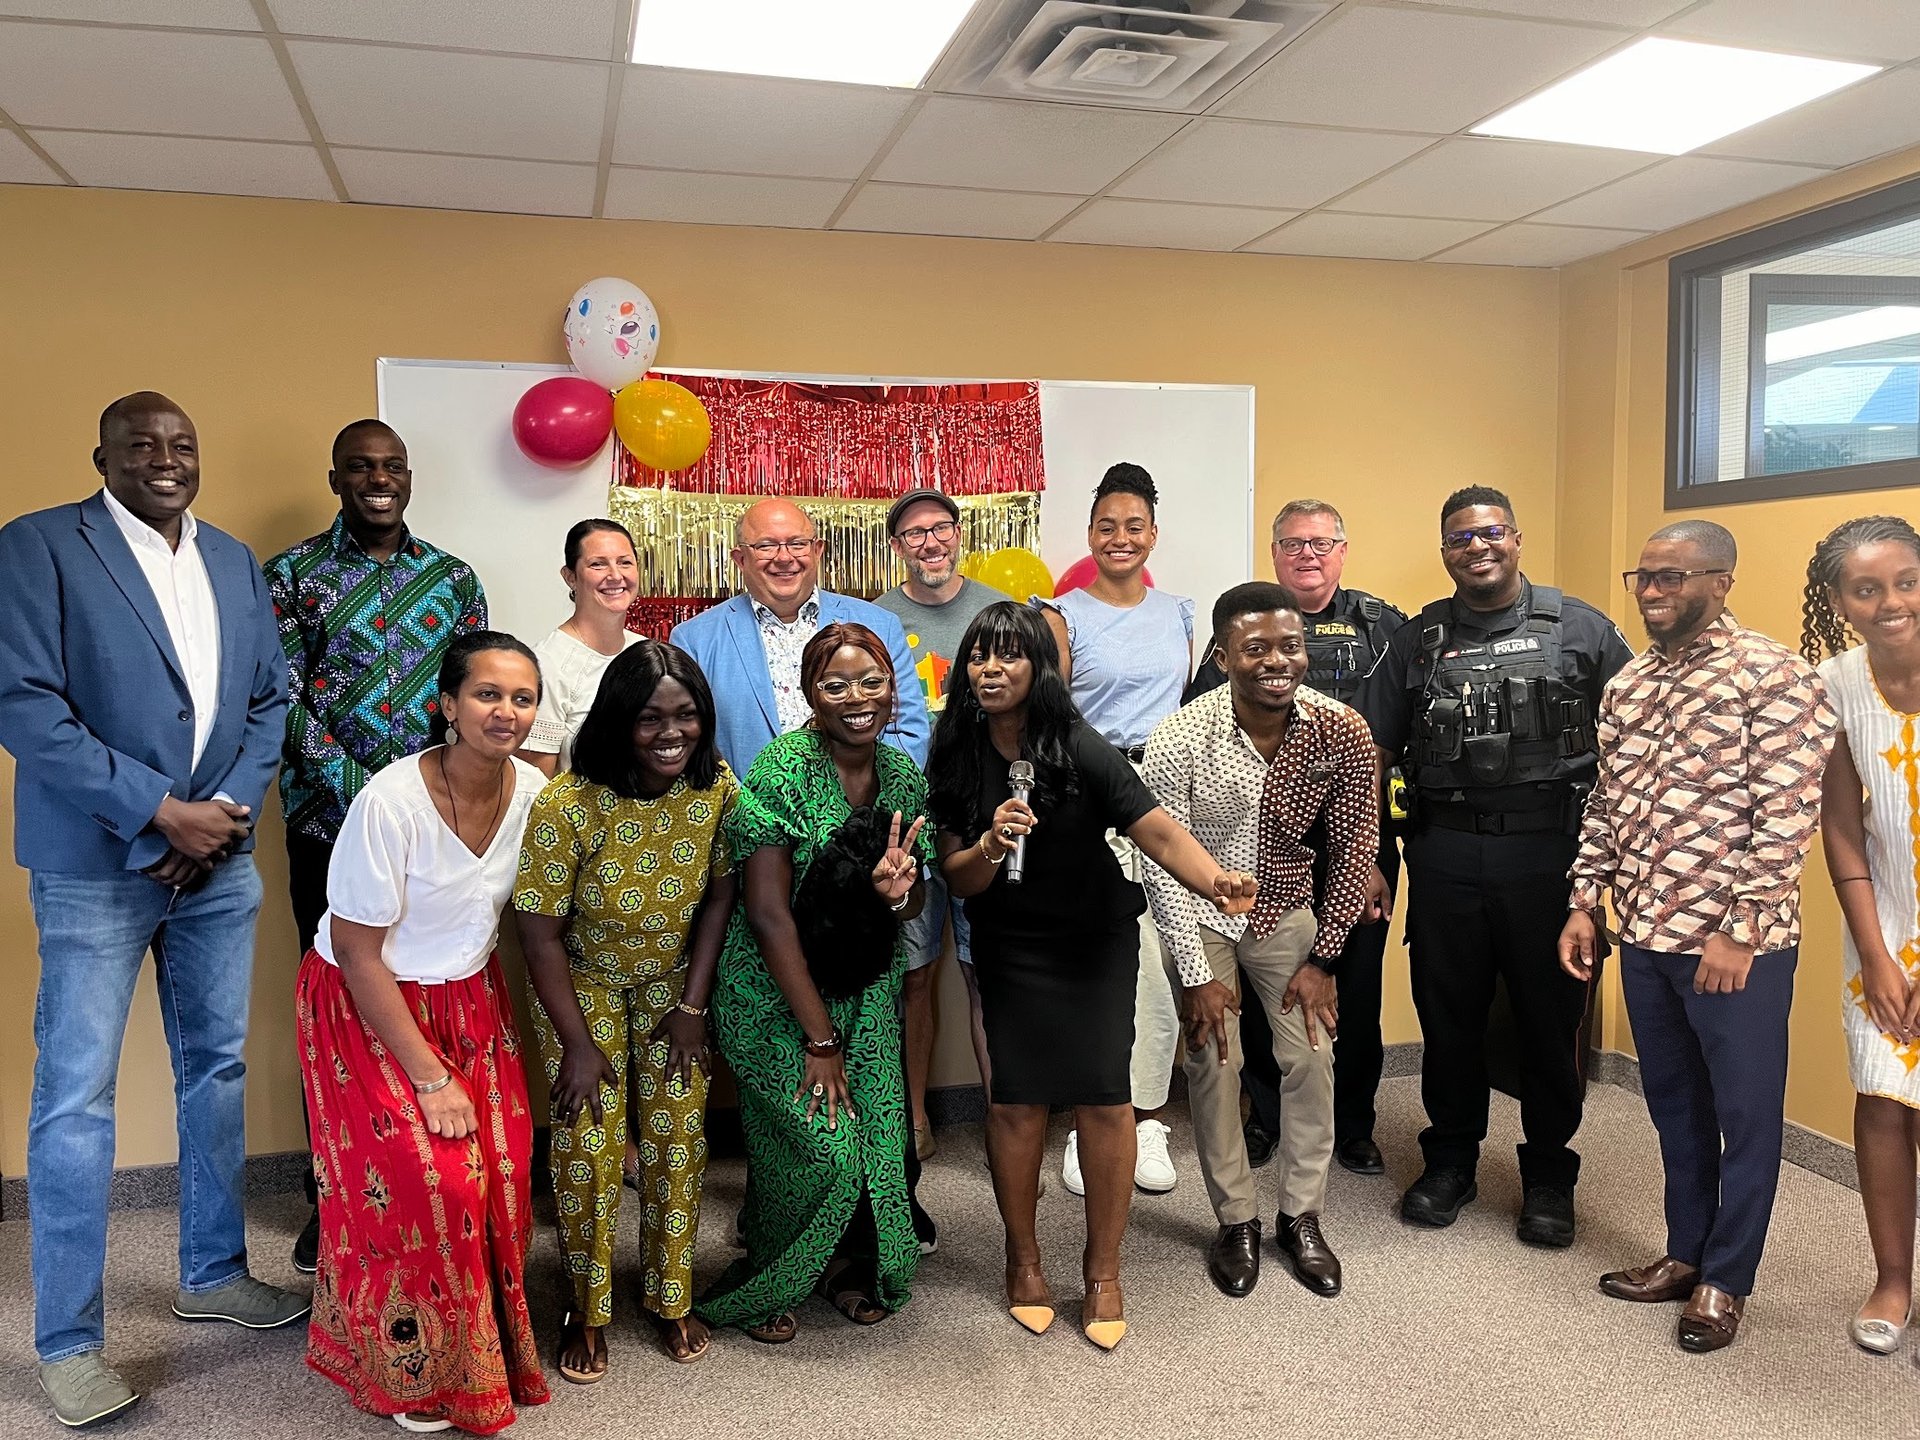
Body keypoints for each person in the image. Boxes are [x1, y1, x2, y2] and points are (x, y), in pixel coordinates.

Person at [0, 393, 303, 1429]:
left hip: (217, 862)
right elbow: (25, 704)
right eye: (142, 446)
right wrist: (154, 812)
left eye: (181, 446)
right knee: (75, 1099)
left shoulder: (228, 559)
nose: (164, 460)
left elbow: (268, 699)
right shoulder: (40, 545)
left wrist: (217, 817)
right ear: (104, 457)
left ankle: (213, 1273)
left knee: (214, 1068)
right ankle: (70, 1344)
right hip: (95, 864)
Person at [929, 601, 1256, 1350]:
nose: (991, 668)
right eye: (980, 655)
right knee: (1014, 1106)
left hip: (1094, 943)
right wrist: (986, 844)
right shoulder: (954, 749)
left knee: (1106, 1102)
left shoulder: (1078, 742)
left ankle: (1103, 1271)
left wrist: (1213, 882)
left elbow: (1159, 826)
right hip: (1012, 946)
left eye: (1010, 655)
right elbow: (958, 878)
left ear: (1038, 669)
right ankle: (1024, 1260)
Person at [1562, 520, 1834, 1353]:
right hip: (1645, 934)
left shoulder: (1777, 676)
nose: (1652, 593)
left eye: (1672, 578)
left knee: (1746, 1116)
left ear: (1722, 581)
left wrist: (1740, 930)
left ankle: (1727, 1278)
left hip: (1735, 944)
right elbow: (1606, 803)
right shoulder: (1630, 684)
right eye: (1642, 577)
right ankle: (1685, 1253)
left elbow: (1788, 816)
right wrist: (1584, 901)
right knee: (1674, 1105)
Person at [1358, 485, 1631, 1247]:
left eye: (1490, 533)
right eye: (1460, 539)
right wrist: (1375, 858)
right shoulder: (1416, 640)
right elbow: (1376, 755)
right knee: (1450, 1014)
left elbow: (1636, 742)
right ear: (1445, 551)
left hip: (1550, 851)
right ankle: (1448, 1161)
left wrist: (1605, 876)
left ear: (1516, 538)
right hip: (1445, 849)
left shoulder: (1581, 629)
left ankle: (1548, 1171)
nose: (1477, 548)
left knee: (1549, 1016)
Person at [297, 632, 550, 1433]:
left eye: (522, 697)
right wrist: (432, 1079)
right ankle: (415, 1367)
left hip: (471, 1000)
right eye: (486, 695)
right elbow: (356, 950)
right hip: (365, 1001)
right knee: (431, 1179)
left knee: (503, 1177)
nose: (505, 712)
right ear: (446, 705)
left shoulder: (537, 793)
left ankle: (483, 1350)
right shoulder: (392, 800)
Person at [262, 417, 487, 1272]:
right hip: (328, 828)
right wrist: (371, 798)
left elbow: (470, 695)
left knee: (428, 1002)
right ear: (337, 480)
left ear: (409, 476)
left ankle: (427, 1174)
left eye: (392, 466)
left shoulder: (452, 578)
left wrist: (432, 806)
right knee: (340, 1007)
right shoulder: (291, 577)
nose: (379, 479)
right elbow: (280, 699)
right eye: (361, 467)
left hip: (443, 836)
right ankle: (338, 1197)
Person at [696, 623, 931, 1343]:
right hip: (774, 996)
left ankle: (848, 1267)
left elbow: (910, 902)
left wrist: (896, 894)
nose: (856, 699)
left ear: (893, 690)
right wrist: (818, 1039)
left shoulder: (903, 779)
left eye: (871, 682)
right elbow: (766, 916)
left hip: (863, 992)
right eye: (836, 685)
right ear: (810, 696)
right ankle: (767, 1278)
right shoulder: (780, 773)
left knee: (882, 1145)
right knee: (821, 1149)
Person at [1144, 583, 1378, 1300]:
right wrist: (1194, 975)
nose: (1277, 661)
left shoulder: (1341, 730)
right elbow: (1159, 862)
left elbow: (1355, 846)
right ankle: (1236, 1220)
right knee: (1215, 1057)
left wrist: (1325, 958)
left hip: (1286, 910)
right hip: (1200, 915)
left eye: (1290, 646)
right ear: (1223, 657)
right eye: (1256, 649)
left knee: (1311, 1054)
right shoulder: (1181, 735)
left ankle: (1301, 1216)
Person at [514, 640, 738, 1376]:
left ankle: (671, 1296)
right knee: (588, 1146)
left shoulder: (716, 789)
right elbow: (538, 931)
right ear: (617, 722)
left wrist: (693, 1006)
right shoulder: (566, 804)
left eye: (686, 716)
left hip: (675, 985)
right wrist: (579, 1045)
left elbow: (721, 896)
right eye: (649, 719)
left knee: (679, 1138)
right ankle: (586, 1305)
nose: (671, 733)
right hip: (582, 987)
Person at [1188, 499, 1405, 1175]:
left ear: (1342, 549)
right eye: (1292, 544)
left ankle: (1356, 1124)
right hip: (1260, 845)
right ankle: (1268, 1117)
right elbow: (1203, 725)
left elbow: (1398, 742)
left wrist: (1367, 854)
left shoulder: (1385, 631)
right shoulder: (1242, 625)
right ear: (1275, 552)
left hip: (1354, 843)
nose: (1306, 555)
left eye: (1320, 543)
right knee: (1265, 993)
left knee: (1354, 985)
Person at [1039, 462, 1195, 1196]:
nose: (1121, 538)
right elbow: (1052, 720)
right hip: (1091, 802)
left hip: (1165, 805)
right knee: (1095, 967)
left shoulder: (1182, 615)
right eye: (1108, 526)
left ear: (1153, 535)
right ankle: (1090, 1117)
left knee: (1162, 969)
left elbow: (1190, 713)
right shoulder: (1061, 614)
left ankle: (1148, 1120)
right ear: (1090, 535)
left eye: (1135, 526)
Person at [1801, 516, 1920, 1355]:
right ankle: (1892, 1278)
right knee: (1882, 1101)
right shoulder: (1833, 683)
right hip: (1884, 925)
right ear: (1839, 603)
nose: (1891, 602)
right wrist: (1877, 955)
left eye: (1906, 581)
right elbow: (1841, 829)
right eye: (1867, 589)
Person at [873, 488, 1003, 1156]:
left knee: (988, 973)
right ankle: (915, 1114)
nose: (931, 542)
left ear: (958, 535)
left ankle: (1005, 1121)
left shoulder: (998, 613)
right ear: (897, 546)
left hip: (984, 824)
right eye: (915, 533)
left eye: (942, 528)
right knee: (915, 976)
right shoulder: (875, 621)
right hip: (910, 830)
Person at [670, 497, 929, 777]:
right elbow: (690, 747)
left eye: (797, 544)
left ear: (817, 550)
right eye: (766, 546)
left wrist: (866, 802)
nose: (784, 558)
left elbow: (908, 731)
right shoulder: (694, 641)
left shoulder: (880, 624)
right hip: (747, 814)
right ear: (740, 559)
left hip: (864, 813)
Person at [517, 518, 641, 778]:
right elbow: (536, 784)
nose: (615, 575)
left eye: (625, 562)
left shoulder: (644, 651)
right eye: (598, 564)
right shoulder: (545, 664)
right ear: (570, 577)